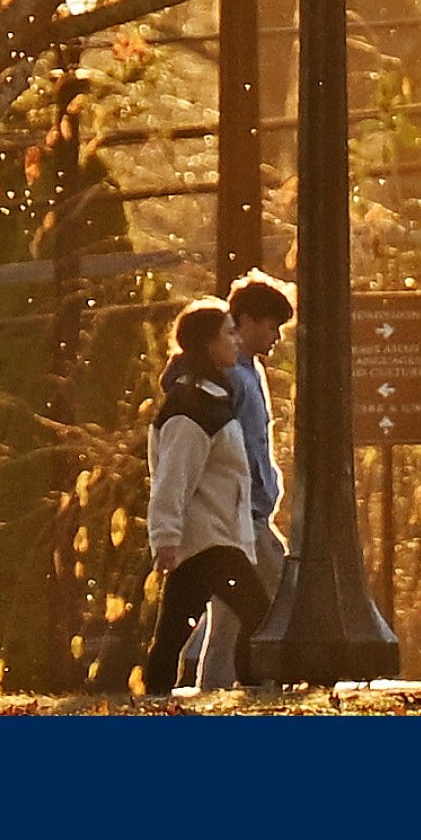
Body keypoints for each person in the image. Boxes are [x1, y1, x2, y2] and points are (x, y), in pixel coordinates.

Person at [141, 297, 273, 695]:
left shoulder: (212, 399)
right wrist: (164, 537)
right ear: (207, 345)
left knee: (172, 633)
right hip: (208, 539)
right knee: (259, 615)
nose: (237, 341)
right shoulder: (191, 408)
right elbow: (171, 478)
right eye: (229, 333)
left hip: (210, 538)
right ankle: (253, 690)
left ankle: (154, 696)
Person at [189, 272, 293, 691]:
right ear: (245, 321)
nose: (276, 337)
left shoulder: (250, 372)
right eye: (271, 326)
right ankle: (275, 678)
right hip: (240, 511)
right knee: (289, 589)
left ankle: (210, 687)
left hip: (249, 509)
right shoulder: (230, 376)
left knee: (229, 613)